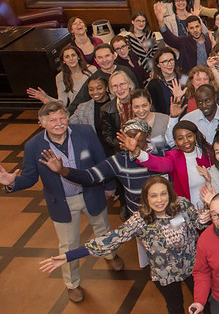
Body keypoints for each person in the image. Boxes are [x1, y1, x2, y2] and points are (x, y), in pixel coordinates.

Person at [0, 102, 123, 303]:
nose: (59, 123)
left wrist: (109, 185)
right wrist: (12, 182)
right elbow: (30, 178)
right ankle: (72, 284)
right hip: (62, 203)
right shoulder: (34, 146)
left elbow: (102, 160)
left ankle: (110, 254)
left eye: (62, 118)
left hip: (92, 193)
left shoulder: (85, 132)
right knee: (68, 245)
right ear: (42, 123)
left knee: (103, 229)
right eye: (53, 120)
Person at [39, 176, 207, 314]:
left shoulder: (183, 205)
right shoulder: (140, 219)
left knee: (205, 302)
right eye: (153, 196)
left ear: (170, 194)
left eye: (163, 194)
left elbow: (198, 224)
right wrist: (70, 255)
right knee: (175, 307)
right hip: (166, 273)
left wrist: (205, 218)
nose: (159, 200)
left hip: (195, 267)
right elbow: (111, 239)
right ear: (146, 199)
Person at [41, 118, 158, 216]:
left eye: (137, 135)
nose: (133, 140)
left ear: (146, 135)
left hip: (166, 216)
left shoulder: (162, 151)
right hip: (141, 218)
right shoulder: (120, 160)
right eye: (128, 136)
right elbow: (90, 176)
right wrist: (62, 170)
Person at [121, 120, 212, 207]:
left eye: (189, 136)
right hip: (188, 209)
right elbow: (159, 164)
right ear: (175, 142)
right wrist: (137, 152)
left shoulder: (207, 152)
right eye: (180, 138)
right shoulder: (174, 157)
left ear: (195, 136)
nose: (186, 141)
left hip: (212, 206)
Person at [27, 44, 97, 114]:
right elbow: (62, 102)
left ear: (78, 57)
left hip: (93, 107)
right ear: (63, 61)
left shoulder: (91, 70)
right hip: (76, 111)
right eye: (67, 57)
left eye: (73, 55)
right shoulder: (60, 77)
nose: (71, 59)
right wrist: (46, 97)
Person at [156, 3, 212, 73]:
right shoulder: (183, 41)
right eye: (191, 28)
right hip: (189, 77)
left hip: (207, 76)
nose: (195, 30)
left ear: (201, 26)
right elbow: (169, 38)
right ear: (187, 29)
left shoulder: (209, 40)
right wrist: (161, 22)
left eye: (197, 26)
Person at [146, 47, 181, 115]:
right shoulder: (154, 85)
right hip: (167, 121)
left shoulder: (183, 78)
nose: (169, 64)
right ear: (158, 65)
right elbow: (157, 110)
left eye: (171, 60)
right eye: (164, 62)